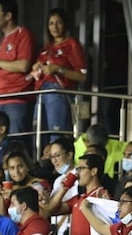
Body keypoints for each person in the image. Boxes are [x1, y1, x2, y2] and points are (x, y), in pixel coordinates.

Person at [32, 7, 87, 147]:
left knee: (56, 135)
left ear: (65, 24)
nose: (54, 27)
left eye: (58, 23)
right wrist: (36, 67)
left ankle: (58, 167)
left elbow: (82, 76)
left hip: (58, 93)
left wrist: (58, 69)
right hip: (40, 92)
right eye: (51, 23)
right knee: (38, 134)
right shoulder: (47, 47)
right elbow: (38, 64)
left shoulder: (72, 44)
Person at [0, 0, 35, 137]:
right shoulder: (3, 39)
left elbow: (24, 65)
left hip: (16, 100)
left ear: (8, 16)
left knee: (15, 144)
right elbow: (3, 66)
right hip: (0, 99)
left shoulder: (23, 34)